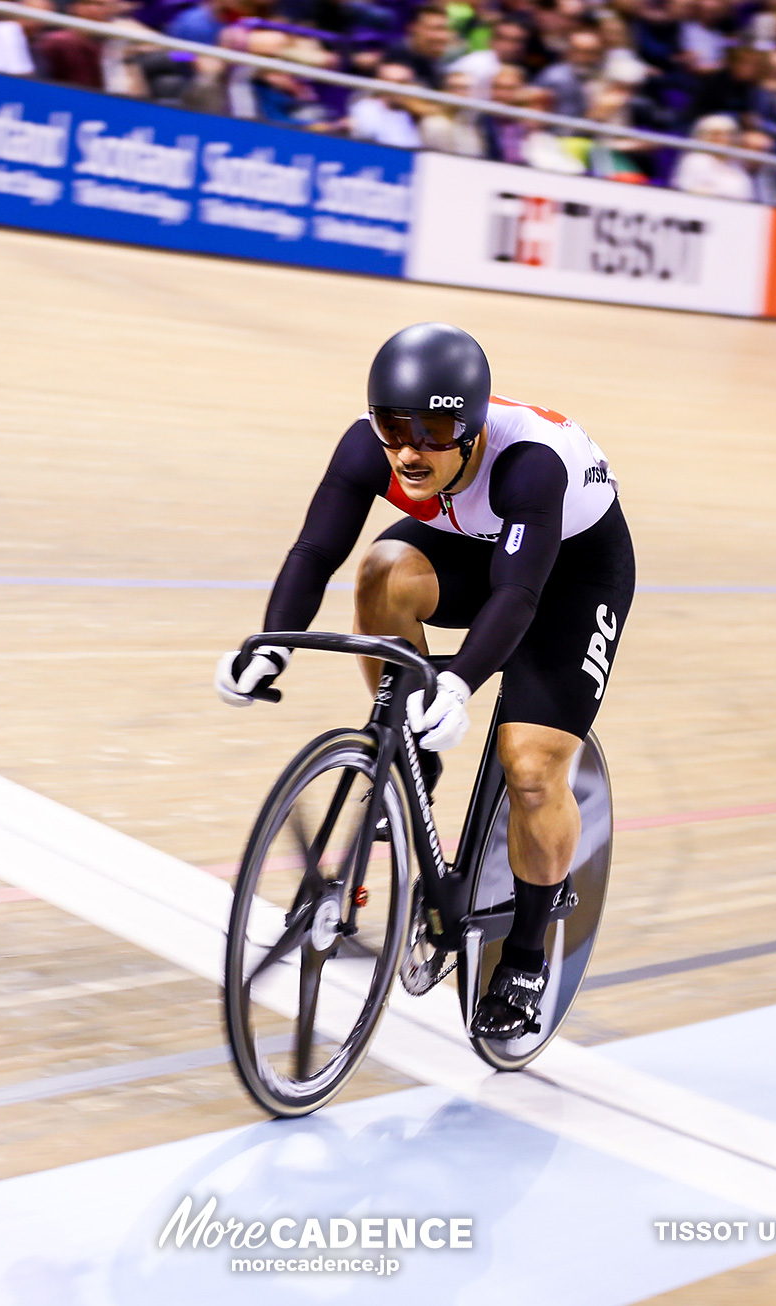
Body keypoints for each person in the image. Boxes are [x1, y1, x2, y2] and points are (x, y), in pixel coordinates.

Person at [214, 324, 635, 1040]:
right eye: (392, 427)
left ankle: (526, 955)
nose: (409, 451)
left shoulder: (530, 463)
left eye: (435, 431)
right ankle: (411, 754)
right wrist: (270, 644)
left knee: (530, 769)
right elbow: (316, 550)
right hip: (484, 545)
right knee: (382, 571)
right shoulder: (369, 449)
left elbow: (519, 598)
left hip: (572, 576)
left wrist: (461, 682)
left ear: (470, 431)